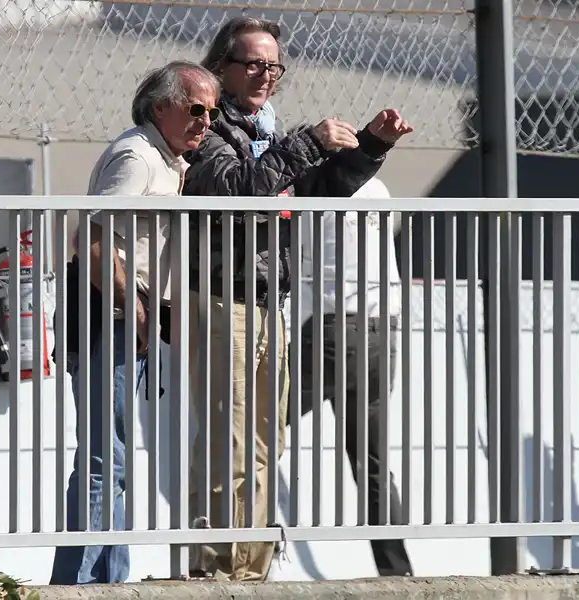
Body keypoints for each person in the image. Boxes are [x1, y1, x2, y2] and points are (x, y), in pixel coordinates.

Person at [180, 16, 413, 581]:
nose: (266, 75)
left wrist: (371, 146)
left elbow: (310, 191)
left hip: (270, 303)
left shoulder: (268, 131)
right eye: (253, 64)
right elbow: (238, 189)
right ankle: (217, 569)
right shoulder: (209, 130)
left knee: (262, 444)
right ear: (222, 69)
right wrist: (307, 142)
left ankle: (251, 570)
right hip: (224, 297)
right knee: (229, 442)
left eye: (274, 65)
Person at [50, 60, 220, 585]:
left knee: (113, 461)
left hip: (125, 317)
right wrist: (136, 307)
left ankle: (110, 580)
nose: (206, 122)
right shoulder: (137, 156)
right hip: (110, 317)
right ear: (160, 106)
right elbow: (93, 241)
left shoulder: (165, 158)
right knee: (106, 460)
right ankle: (73, 586)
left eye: (211, 112)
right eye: (196, 109)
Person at [291, 176, 414, 576]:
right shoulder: (378, 188)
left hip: (329, 327)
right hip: (382, 328)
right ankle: (396, 572)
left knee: (258, 431)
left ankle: (238, 552)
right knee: (371, 459)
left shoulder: (310, 187)